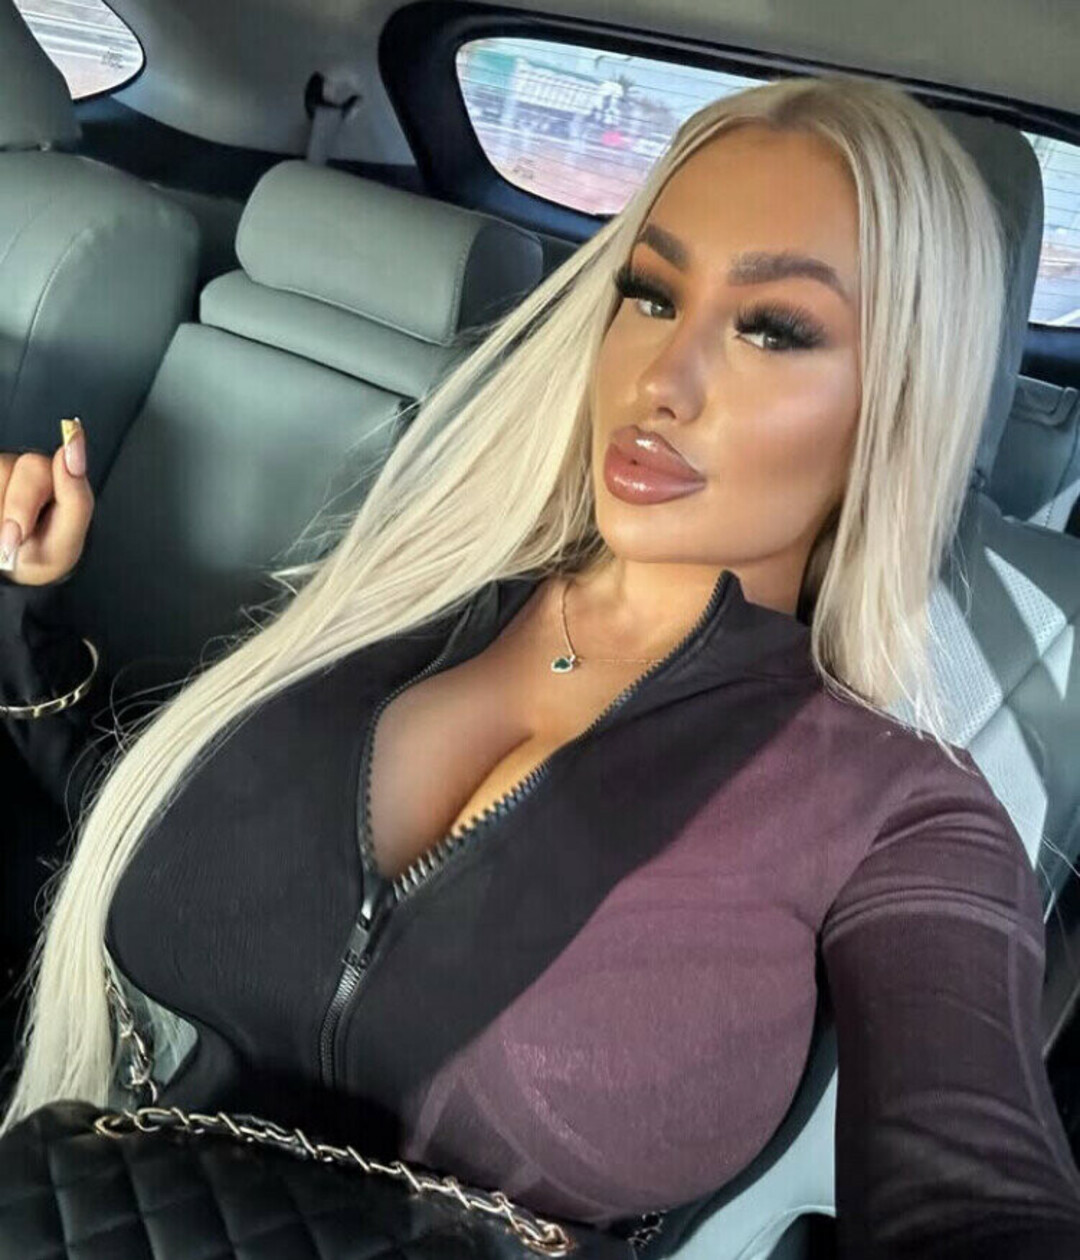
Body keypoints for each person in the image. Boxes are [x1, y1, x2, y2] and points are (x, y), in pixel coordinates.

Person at [1, 74, 1080, 1257]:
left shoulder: (900, 812)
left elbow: (973, 1196)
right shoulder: (402, 587)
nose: (662, 382)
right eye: (651, 294)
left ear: (898, 401)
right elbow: (141, 816)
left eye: (772, 329)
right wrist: (27, 611)